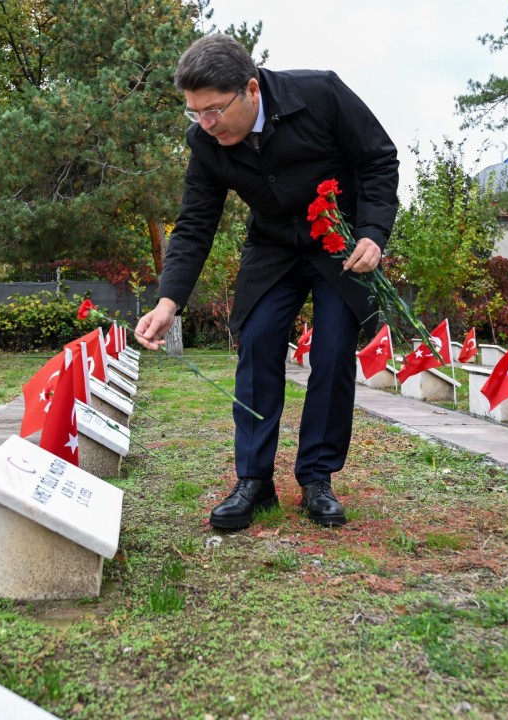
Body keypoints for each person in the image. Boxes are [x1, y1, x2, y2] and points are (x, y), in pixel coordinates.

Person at [134, 33, 398, 529]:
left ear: (251, 89)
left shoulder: (321, 95)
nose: (206, 125)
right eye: (195, 113)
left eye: (213, 110)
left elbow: (379, 158)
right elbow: (195, 224)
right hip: (272, 248)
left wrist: (373, 233)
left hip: (340, 244)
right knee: (256, 347)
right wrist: (169, 301)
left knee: (333, 352)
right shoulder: (205, 144)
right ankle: (253, 481)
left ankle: (317, 477)